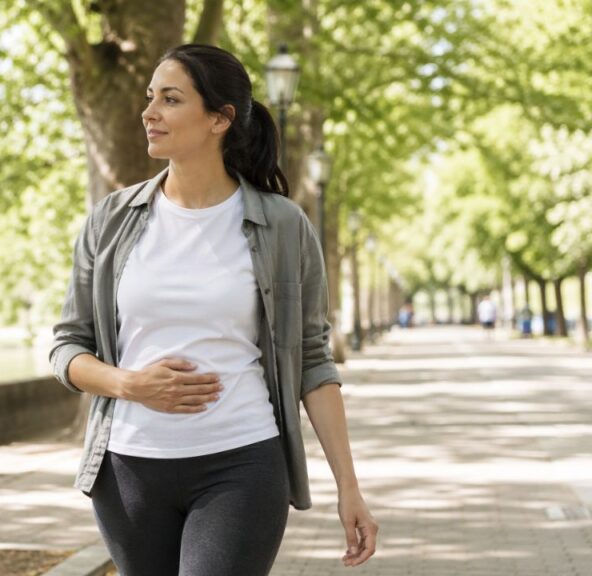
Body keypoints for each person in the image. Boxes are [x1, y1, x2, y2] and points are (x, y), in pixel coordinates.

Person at [49, 44, 377, 575]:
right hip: (129, 470)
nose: (149, 112)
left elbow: (314, 362)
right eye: (150, 97)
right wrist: (130, 384)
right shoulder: (111, 220)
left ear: (220, 119)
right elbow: (67, 347)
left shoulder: (283, 225)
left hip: (241, 461)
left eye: (171, 99)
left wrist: (349, 488)